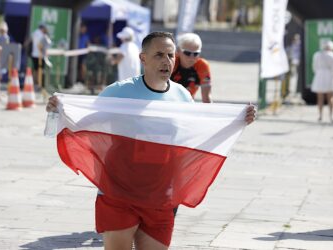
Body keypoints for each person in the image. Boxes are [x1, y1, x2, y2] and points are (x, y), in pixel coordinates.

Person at [46, 31, 256, 250]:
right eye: (159, 55)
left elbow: (195, 135)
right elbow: (84, 123)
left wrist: (237, 121)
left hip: (160, 195)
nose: (166, 61)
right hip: (119, 191)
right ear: (143, 58)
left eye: (170, 55)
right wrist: (58, 110)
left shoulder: (182, 96)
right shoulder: (118, 93)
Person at [171, 33, 212, 103]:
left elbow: (206, 98)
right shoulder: (171, 62)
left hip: (188, 103)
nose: (192, 58)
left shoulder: (202, 65)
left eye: (196, 54)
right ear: (178, 51)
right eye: (187, 53)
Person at [311, 40, 333, 123]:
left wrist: (319, 73)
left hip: (319, 76)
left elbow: (314, 67)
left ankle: (320, 115)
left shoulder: (317, 55)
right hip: (329, 76)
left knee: (320, 97)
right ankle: (331, 116)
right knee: (330, 97)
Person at [30, 23, 51, 88]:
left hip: (34, 54)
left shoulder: (34, 33)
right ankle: (38, 83)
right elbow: (40, 45)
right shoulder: (42, 35)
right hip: (40, 55)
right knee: (39, 70)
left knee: (35, 69)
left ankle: (33, 83)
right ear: (42, 28)